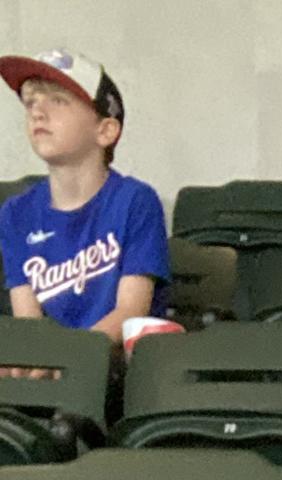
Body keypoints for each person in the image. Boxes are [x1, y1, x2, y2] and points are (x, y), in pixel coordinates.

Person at [0, 48, 169, 339]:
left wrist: (71, 363)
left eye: (58, 101)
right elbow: (29, 327)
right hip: (49, 374)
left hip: (117, 373)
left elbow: (130, 314)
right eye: (30, 103)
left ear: (105, 131)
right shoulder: (16, 214)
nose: (38, 112)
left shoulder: (135, 201)